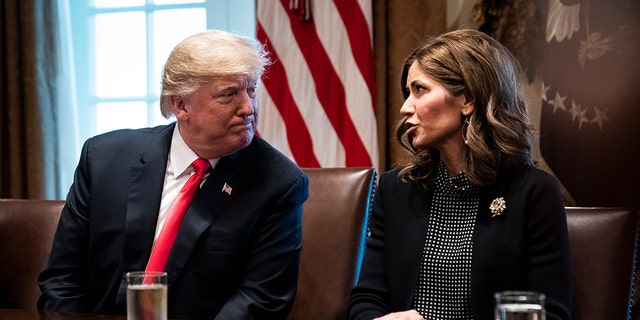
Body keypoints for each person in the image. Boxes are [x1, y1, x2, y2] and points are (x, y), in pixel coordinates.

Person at [37, 29, 309, 319]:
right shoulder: (104, 159)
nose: (248, 108)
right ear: (181, 105)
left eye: (251, 89)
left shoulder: (278, 183)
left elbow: (260, 300)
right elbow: (62, 279)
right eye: (229, 94)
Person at [346, 29, 572, 320]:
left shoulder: (534, 192)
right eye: (407, 93)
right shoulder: (396, 188)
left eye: (419, 89)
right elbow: (365, 299)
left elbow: (551, 313)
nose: (405, 108)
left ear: (467, 98)